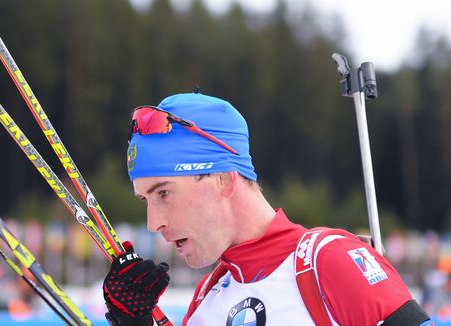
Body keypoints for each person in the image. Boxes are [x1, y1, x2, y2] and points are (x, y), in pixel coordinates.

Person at [102, 92, 433, 325]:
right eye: (146, 200)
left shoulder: (327, 262)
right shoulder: (207, 300)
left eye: (163, 193)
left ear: (223, 179)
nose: (152, 223)